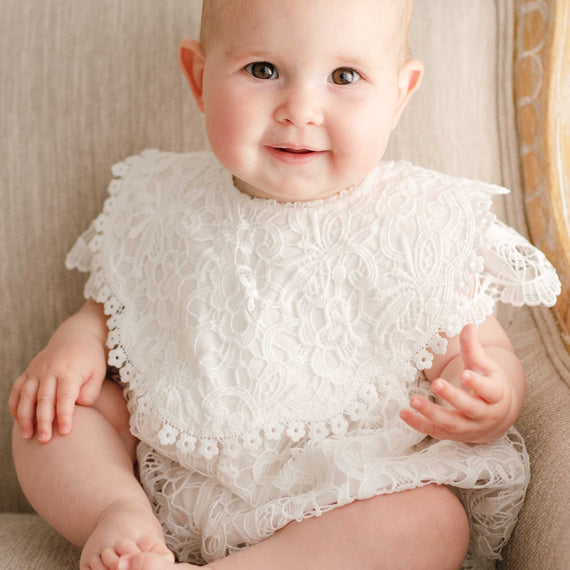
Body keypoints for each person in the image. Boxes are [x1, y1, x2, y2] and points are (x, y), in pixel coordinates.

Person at [9, 1, 561, 569]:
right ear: (199, 79)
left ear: (399, 95)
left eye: (344, 77)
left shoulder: (417, 222)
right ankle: (116, 516)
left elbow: (477, 347)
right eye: (263, 70)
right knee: (51, 413)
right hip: (167, 474)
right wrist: (75, 343)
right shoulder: (160, 198)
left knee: (432, 521)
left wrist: (489, 395)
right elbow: (114, 305)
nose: (300, 110)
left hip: (345, 491)